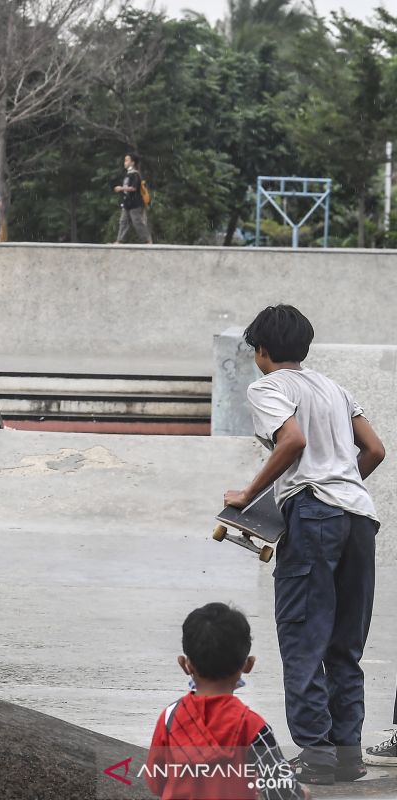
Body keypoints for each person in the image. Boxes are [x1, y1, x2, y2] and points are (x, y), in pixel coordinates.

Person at [225, 304, 384, 785]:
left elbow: (290, 441)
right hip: (359, 516)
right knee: (344, 644)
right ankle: (346, 755)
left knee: (302, 639)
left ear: (262, 351)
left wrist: (248, 494)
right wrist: (342, 484)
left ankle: (315, 755)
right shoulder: (335, 388)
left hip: (314, 516)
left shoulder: (268, 385)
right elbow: (375, 450)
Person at [146, 603, 308, 800]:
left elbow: (155, 782)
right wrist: (300, 793)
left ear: (185, 664)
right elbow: (283, 792)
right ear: (248, 665)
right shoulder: (254, 727)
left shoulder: (169, 718)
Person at [114, 152, 153, 244]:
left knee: (137, 222)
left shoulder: (135, 174)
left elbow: (134, 188)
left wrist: (121, 188)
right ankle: (120, 240)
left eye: (127, 160)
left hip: (135, 204)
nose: (125, 162)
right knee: (123, 222)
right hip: (127, 203)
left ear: (132, 163)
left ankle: (147, 240)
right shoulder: (128, 174)